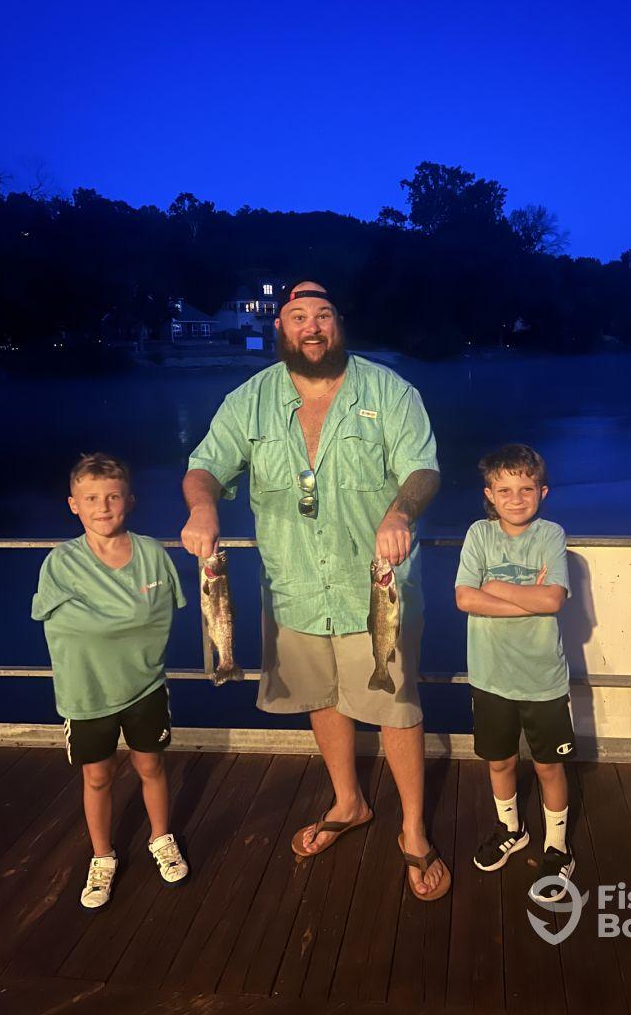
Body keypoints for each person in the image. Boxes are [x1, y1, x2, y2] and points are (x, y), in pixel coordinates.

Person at [181, 280, 450, 900]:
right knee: (320, 697)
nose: (312, 326)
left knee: (395, 706)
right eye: (298, 316)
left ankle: (413, 829)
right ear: (281, 328)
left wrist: (400, 513)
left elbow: (424, 469)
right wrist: (203, 510)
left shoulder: (389, 390)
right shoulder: (249, 401)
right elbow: (205, 466)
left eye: (323, 315)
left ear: (338, 325)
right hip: (294, 586)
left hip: (376, 587)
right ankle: (349, 801)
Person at [32, 453, 189, 912]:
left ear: (130, 501)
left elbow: (164, 612)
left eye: (113, 497)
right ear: (73, 505)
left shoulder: (152, 553)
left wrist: (109, 617)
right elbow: (62, 624)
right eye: (92, 499)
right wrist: (125, 614)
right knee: (97, 776)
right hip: (87, 694)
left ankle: (161, 837)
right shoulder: (60, 562)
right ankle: (102, 855)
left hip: (145, 686)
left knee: (151, 767)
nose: (104, 507)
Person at [454, 443, 575, 901]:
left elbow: (553, 600)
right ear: (490, 493)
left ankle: (558, 844)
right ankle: (511, 829)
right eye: (505, 490)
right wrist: (527, 599)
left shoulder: (551, 534)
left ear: (543, 491)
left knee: (548, 765)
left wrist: (499, 587)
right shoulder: (479, 536)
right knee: (500, 760)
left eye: (526, 488)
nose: (517, 498)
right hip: (489, 677)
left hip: (543, 678)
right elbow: (465, 598)